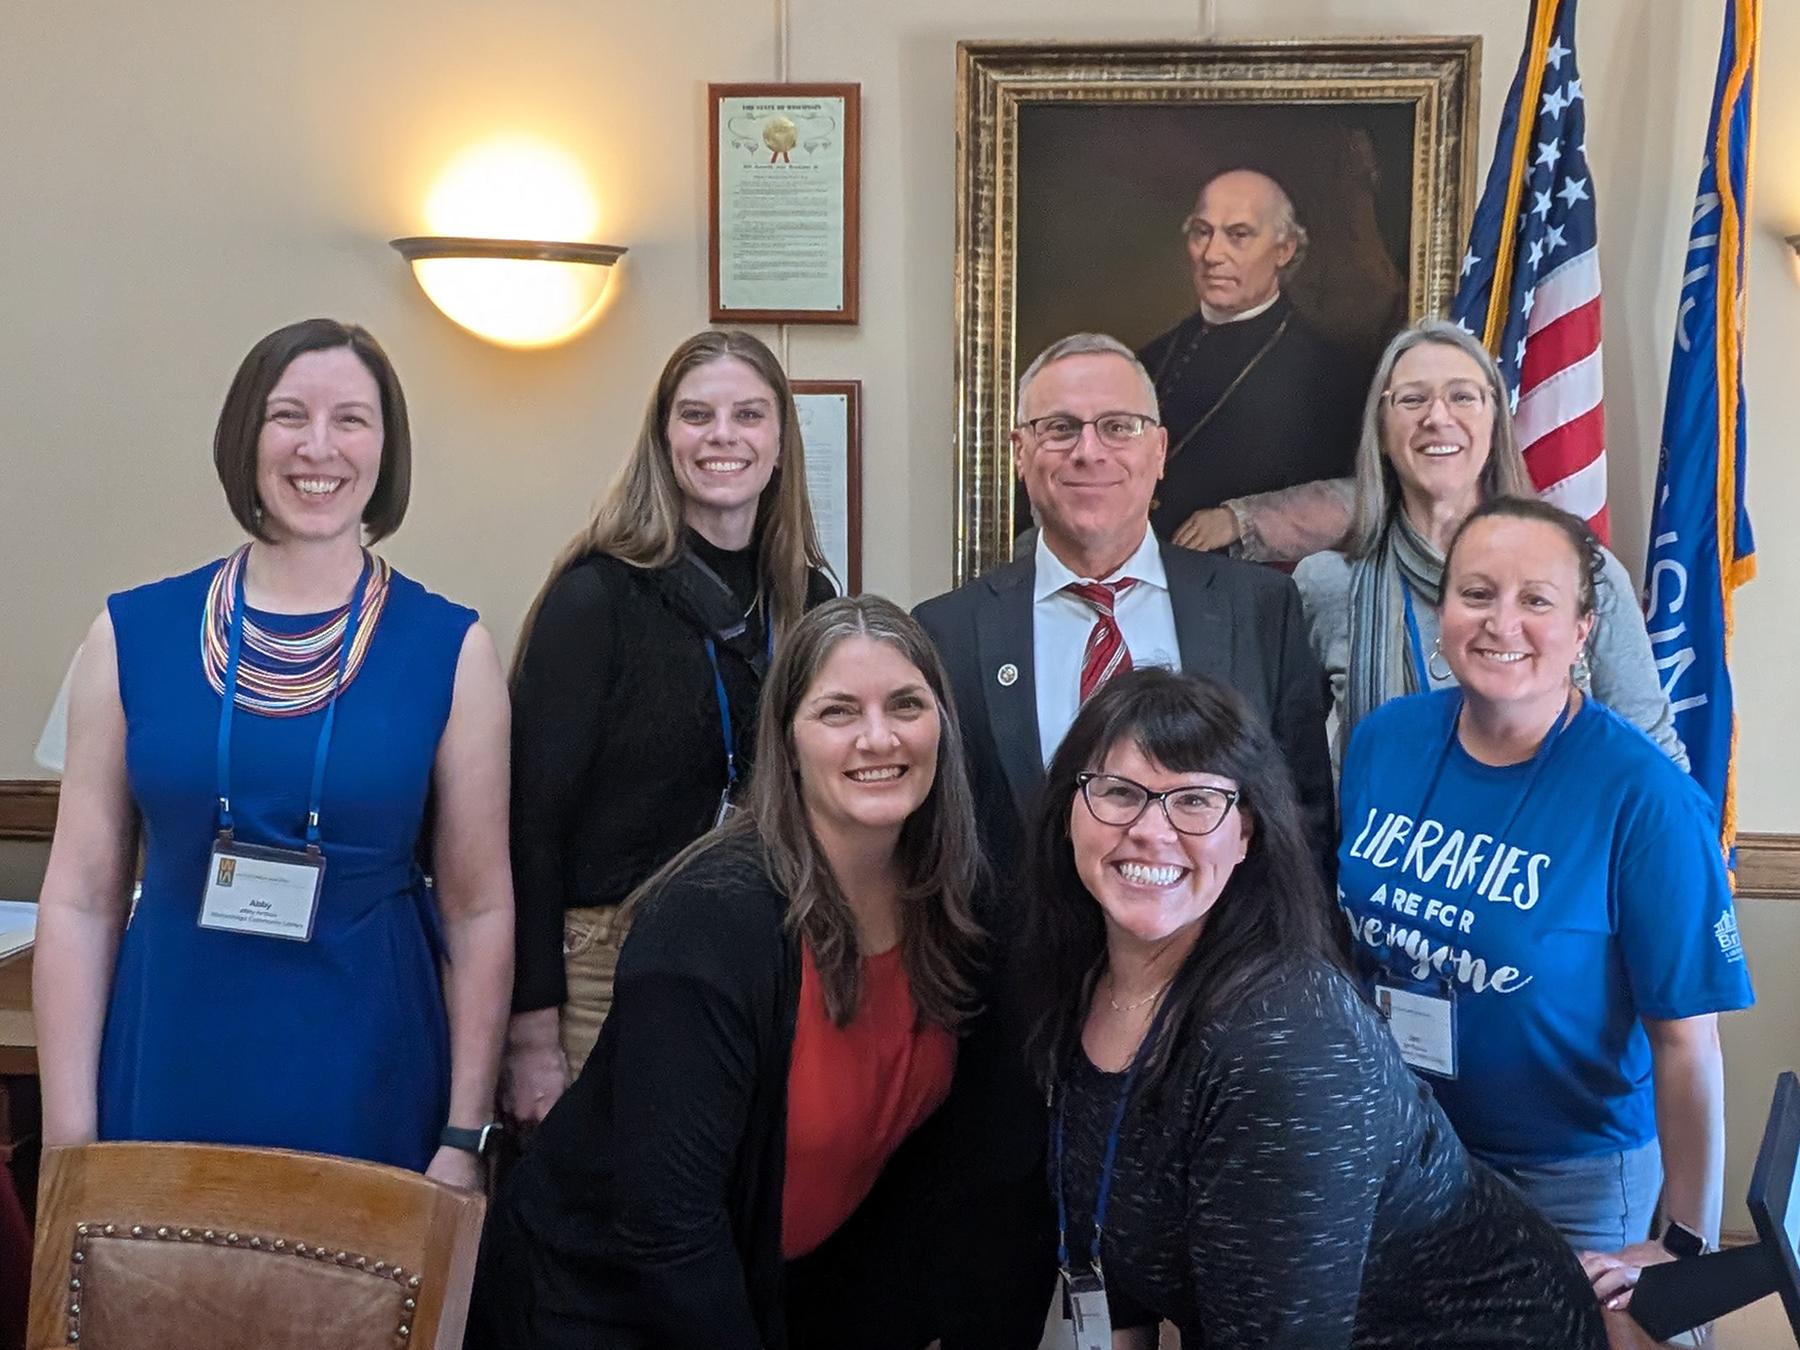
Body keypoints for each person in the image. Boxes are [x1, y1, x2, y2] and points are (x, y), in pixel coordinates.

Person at [913, 330, 1334, 1349]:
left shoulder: (1260, 610)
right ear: (1021, 453)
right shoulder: (947, 630)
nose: (1087, 450)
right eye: (1058, 427)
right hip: (1017, 1070)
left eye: (1116, 426)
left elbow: (1300, 829)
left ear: (1160, 450)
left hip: (1212, 1056)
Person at [33, 319, 512, 1188]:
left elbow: (480, 911)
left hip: (369, 1063)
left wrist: (465, 1132)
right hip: (169, 1050)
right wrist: (71, 1139)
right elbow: (80, 898)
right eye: (288, 416)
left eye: (352, 420)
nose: (318, 447)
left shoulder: (454, 649)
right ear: (245, 436)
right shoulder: (128, 635)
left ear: (386, 448)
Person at [1018, 666, 1607, 1348]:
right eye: (1119, 792)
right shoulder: (1078, 977)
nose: (1152, 829)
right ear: (1068, 813)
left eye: (1196, 801)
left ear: (1246, 835)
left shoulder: (1285, 1044)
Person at [465, 596, 988, 1350]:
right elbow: (668, 1231)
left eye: (906, 705)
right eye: (838, 712)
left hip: (768, 1293)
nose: (880, 737)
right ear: (788, 740)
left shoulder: (956, 902)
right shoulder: (710, 923)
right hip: (600, 1309)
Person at [1336, 496, 1754, 1311]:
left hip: (1570, 1181)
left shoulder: (1644, 797)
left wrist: (1683, 1241)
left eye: (1537, 600)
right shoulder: (1384, 740)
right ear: (1444, 611)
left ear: (1583, 629)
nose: (1503, 622)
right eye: (1478, 594)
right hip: (1408, 1151)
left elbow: (1687, 1046)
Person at [503, 330, 835, 1125]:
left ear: (781, 441)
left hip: (754, 952)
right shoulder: (595, 599)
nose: (724, 436)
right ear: (663, 440)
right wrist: (531, 1038)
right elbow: (530, 826)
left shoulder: (808, 600)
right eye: (697, 415)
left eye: (749, 415)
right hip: (601, 966)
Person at [1292, 318, 1685, 768]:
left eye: (1462, 397)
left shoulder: (1584, 572)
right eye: (1413, 400)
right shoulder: (1326, 583)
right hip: (1381, 834)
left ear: (1495, 421)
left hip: (1550, 835)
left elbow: (1655, 760)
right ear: (1381, 429)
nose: (1437, 418)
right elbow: (1297, 774)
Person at [1136, 168, 1369, 550]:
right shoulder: (1152, 358)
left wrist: (1241, 520)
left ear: (1285, 249)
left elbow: (1358, 498)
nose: (1212, 255)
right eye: (1201, 232)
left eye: (1238, 235)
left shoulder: (1333, 372)